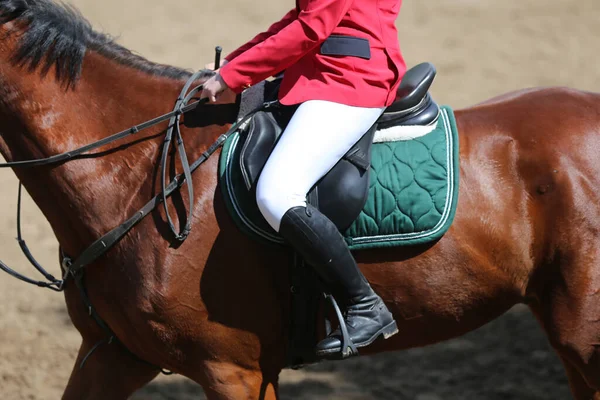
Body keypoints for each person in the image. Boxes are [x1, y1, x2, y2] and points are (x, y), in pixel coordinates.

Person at [200, 0, 407, 357]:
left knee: (277, 193)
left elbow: (310, 29)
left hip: (349, 79)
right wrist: (233, 62)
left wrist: (230, 77)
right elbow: (299, 18)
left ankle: (364, 304)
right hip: (323, 70)